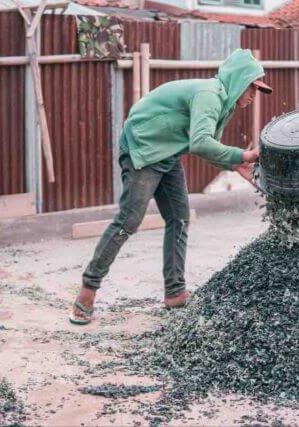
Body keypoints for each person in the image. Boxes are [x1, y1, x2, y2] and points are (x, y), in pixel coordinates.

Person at [69, 49, 272, 325]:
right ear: (239, 81)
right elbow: (201, 142)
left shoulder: (224, 103)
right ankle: (87, 292)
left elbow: (206, 147)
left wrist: (235, 165)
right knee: (129, 220)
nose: (253, 96)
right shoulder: (210, 96)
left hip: (167, 151)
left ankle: (175, 292)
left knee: (178, 217)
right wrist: (242, 155)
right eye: (253, 88)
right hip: (143, 146)